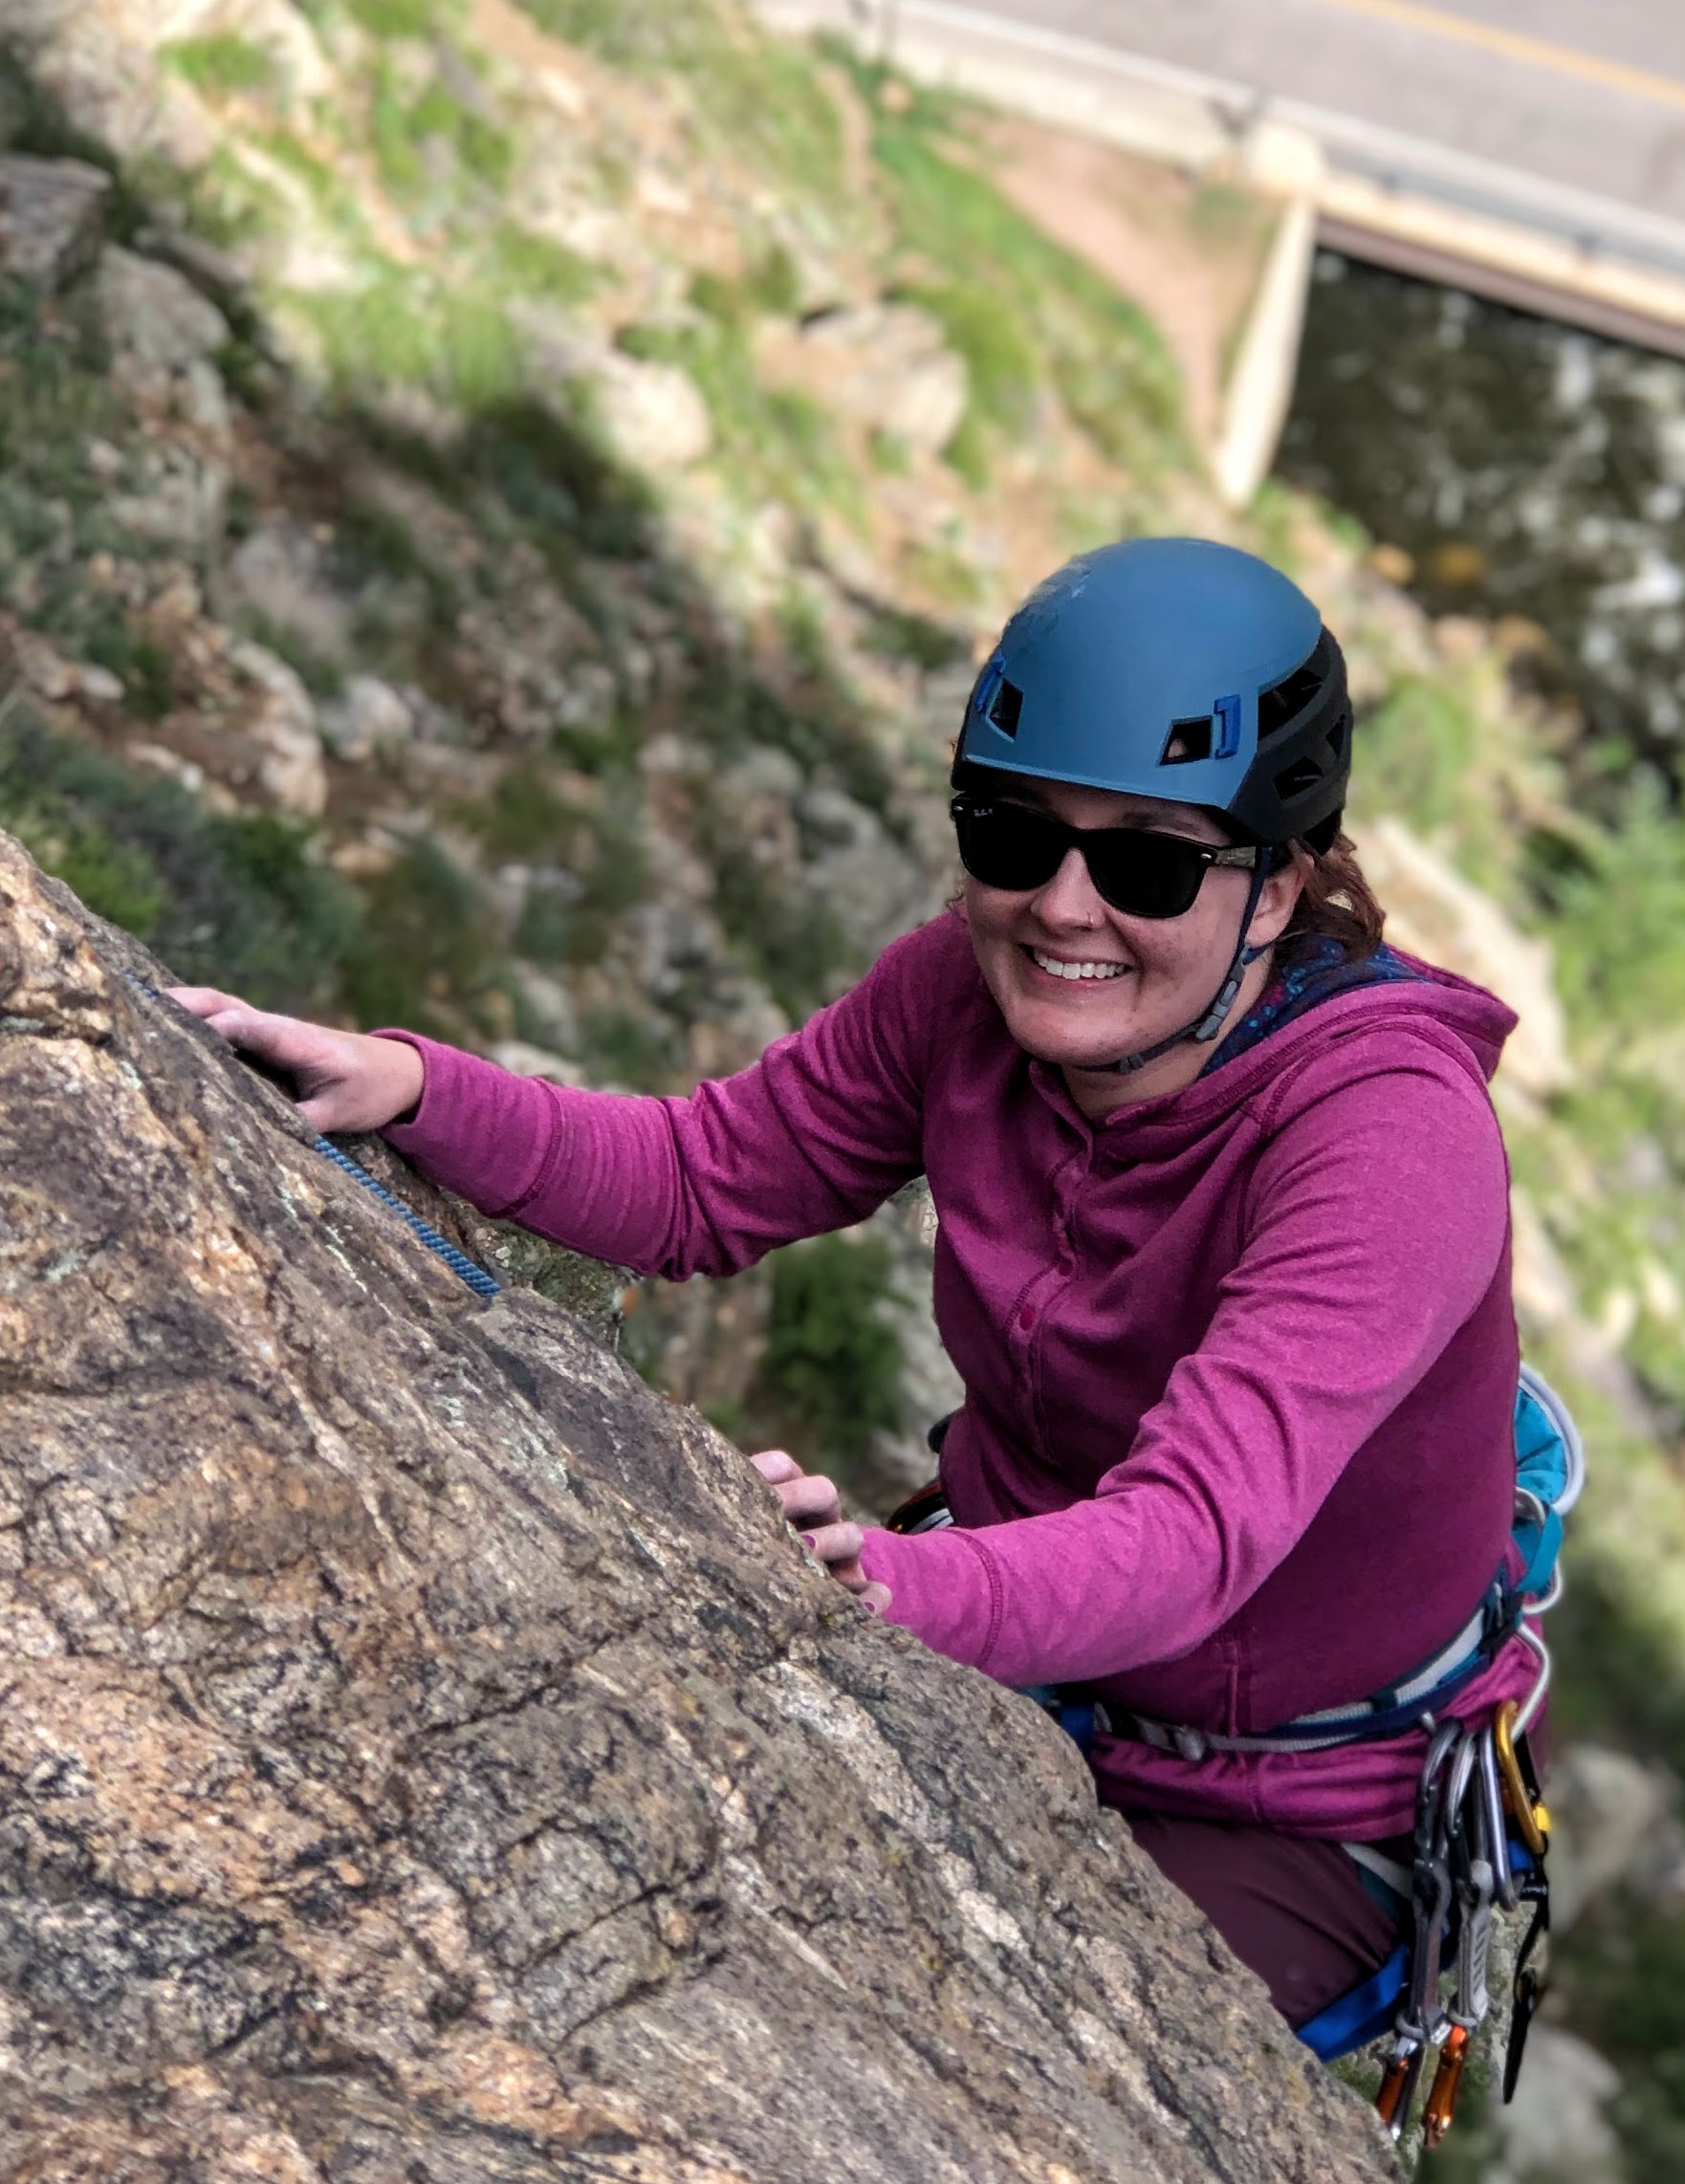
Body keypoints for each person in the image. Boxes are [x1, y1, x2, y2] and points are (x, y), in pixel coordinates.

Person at [175, 536, 1523, 2036]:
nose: (1064, 908)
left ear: (1274, 891)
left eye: (1145, 861)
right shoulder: (963, 988)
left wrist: (885, 1585)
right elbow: (702, 1177)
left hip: (1273, 1793)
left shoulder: (1388, 1137)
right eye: (1014, 837)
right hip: (998, 1621)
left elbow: (1193, 1537)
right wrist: (410, 1086)